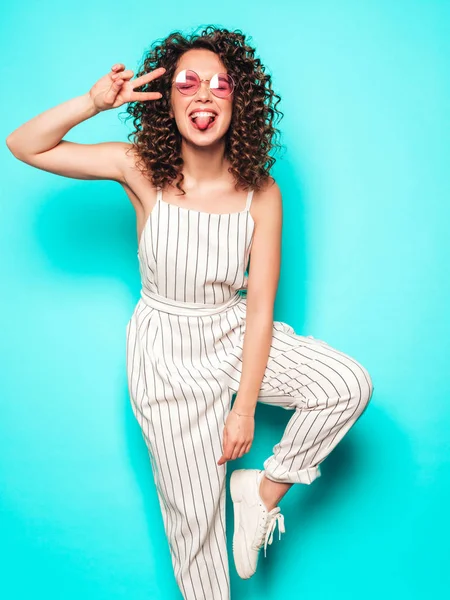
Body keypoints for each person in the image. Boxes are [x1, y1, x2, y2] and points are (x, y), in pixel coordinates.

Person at [6, 25, 374, 600]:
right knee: (196, 532)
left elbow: (260, 309)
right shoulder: (139, 168)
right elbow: (25, 144)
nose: (203, 95)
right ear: (169, 101)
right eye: (187, 83)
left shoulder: (262, 192)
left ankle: (260, 492)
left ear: (239, 103)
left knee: (345, 384)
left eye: (220, 85)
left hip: (231, 336)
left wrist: (244, 411)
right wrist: (93, 102)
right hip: (164, 361)